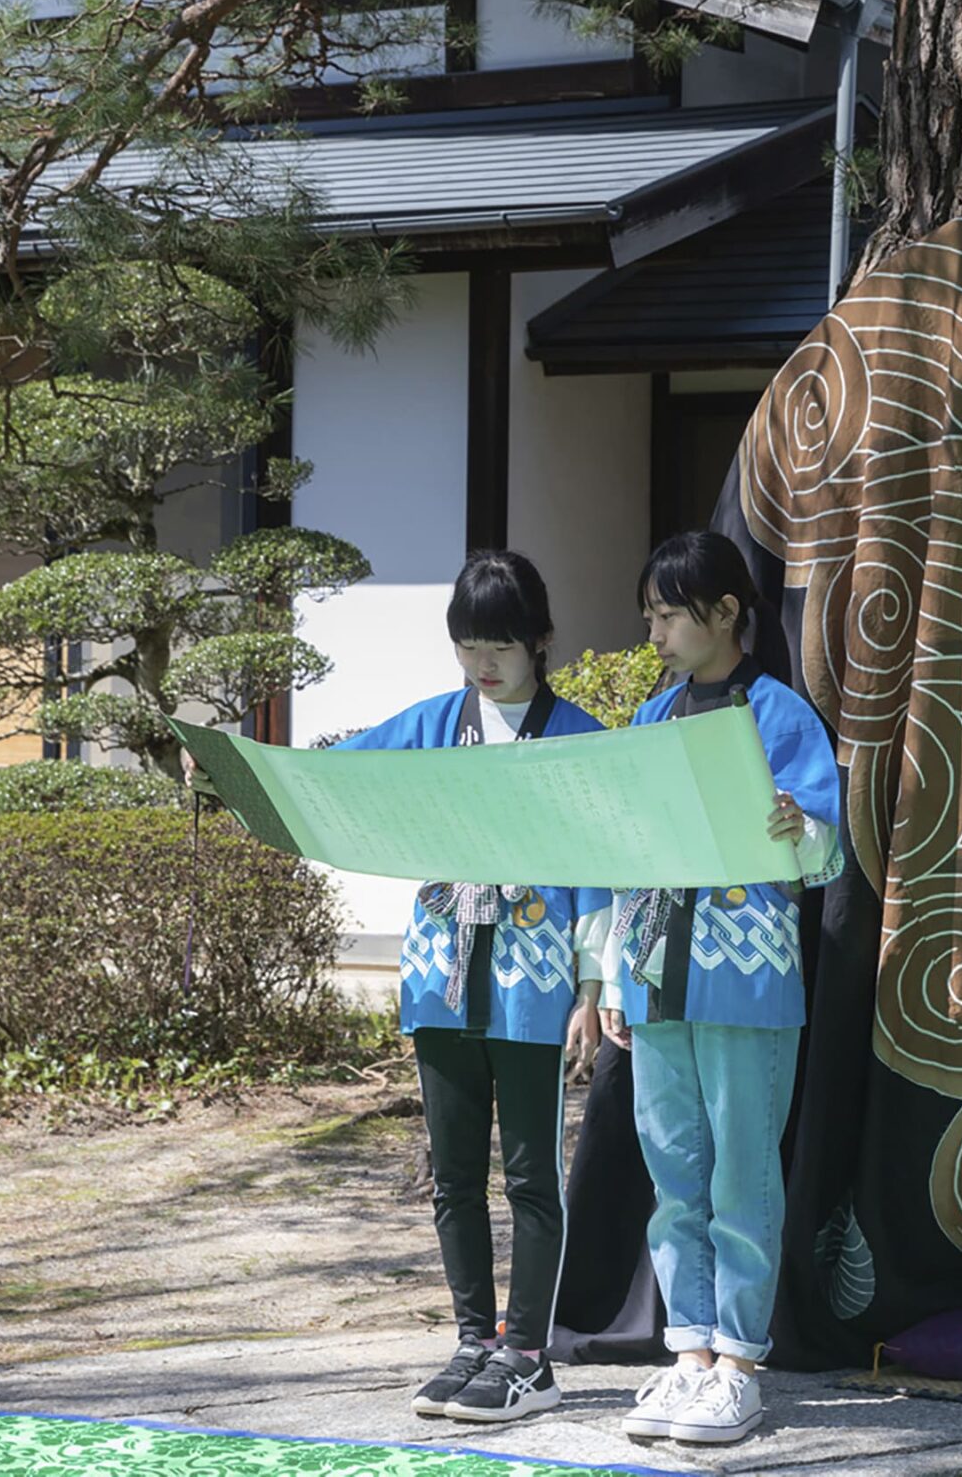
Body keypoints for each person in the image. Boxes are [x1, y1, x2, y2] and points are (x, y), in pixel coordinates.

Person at [331, 550, 612, 1424]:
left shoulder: (578, 736)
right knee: (453, 1174)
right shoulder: (430, 723)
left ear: (540, 640)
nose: (483, 663)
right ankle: (470, 1339)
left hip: (533, 980)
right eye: (467, 645)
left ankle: (528, 1353)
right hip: (440, 977)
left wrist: (593, 986)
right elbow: (341, 774)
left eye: (500, 644)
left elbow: (604, 869)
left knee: (532, 1174)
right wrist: (248, 773)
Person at [602, 531, 843, 1447]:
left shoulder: (781, 715)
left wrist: (799, 827)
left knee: (743, 1169)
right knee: (674, 1170)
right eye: (652, 613)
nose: (656, 630)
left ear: (726, 613)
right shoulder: (651, 720)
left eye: (668, 613)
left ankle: (740, 1361)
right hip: (658, 974)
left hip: (746, 980)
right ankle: (691, 1355)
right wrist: (614, 976)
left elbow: (825, 856)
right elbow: (623, 856)